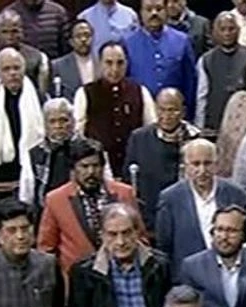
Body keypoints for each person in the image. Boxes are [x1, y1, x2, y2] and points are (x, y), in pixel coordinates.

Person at [37, 136, 140, 276]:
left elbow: (140, 236)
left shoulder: (124, 193)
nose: (91, 172)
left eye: (95, 166)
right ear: (73, 169)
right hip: (77, 281)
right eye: (84, 166)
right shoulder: (56, 199)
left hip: (121, 275)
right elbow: (46, 248)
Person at [156, 138, 246, 280]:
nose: (202, 170)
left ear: (217, 164)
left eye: (207, 163)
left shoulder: (236, 195)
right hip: (187, 280)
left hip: (230, 275)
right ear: (185, 166)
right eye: (195, 164)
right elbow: (164, 246)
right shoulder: (170, 198)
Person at [73, 40, 156, 176]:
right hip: (99, 170)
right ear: (100, 64)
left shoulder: (139, 91)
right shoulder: (85, 93)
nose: (114, 69)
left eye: (120, 63)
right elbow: (78, 134)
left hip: (133, 167)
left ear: (127, 63)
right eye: (109, 63)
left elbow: (150, 130)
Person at [123, 88, 200, 228]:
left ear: (183, 111)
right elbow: (128, 179)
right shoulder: (139, 138)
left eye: (172, 110)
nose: (166, 115)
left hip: (185, 216)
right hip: (150, 217)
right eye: (161, 110)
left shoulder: (195, 139)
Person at [22, 97, 113, 212]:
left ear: (73, 121)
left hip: (86, 210)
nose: (58, 126)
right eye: (52, 121)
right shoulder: (35, 154)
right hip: (47, 211)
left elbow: (108, 182)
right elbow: (27, 193)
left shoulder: (92, 149)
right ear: (45, 124)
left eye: (64, 120)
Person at [0, 47, 45, 183]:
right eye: (6, 69)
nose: (13, 73)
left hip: (32, 168)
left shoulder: (39, 99)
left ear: (24, 70)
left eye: (16, 68)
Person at [124, 0, 197, 119]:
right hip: (139, 114)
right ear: (141, 13)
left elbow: (190, 82)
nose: (154, 13)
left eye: (159, 9)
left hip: (174, 115)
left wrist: (189, 115)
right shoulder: (128, 43)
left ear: (166, 10)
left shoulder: (182, 41)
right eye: (148, 9)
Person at [194, 11, 246, 131]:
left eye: (231, 29)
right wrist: (200, 127)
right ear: (215, 32)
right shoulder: (206, 60)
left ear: (238, 30)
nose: (227, 33)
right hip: (214, 124)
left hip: (245, 124)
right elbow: (202, 97)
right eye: (222, 29)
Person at [0, 10, 49, 98]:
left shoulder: (37, 57)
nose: (10, 36)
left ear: (22, 32)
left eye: (14, 31)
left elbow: (43, 93)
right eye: (5, 32)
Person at [3, 0, 70, 59]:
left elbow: (66, 47)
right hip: (21, 67)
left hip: (53, 65)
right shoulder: (9, 13)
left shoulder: (58, 12)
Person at [50, 19, 97, 99]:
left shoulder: (102, 62)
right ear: (71, 41)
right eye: (78, 36)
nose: (83, 39)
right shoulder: (58, 66)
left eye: (87, 35)